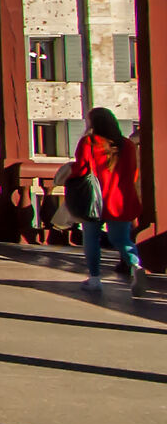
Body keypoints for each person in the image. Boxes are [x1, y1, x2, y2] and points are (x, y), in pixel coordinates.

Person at [69, 108, 148, 297]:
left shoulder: (89, 142)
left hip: (95, 200)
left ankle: (95, 279)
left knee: (91, 238)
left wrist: (69, 177)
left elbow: (80, 170)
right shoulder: (127, 145)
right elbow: (134, 173)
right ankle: (136, 265)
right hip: (121, 200)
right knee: (121, 239)